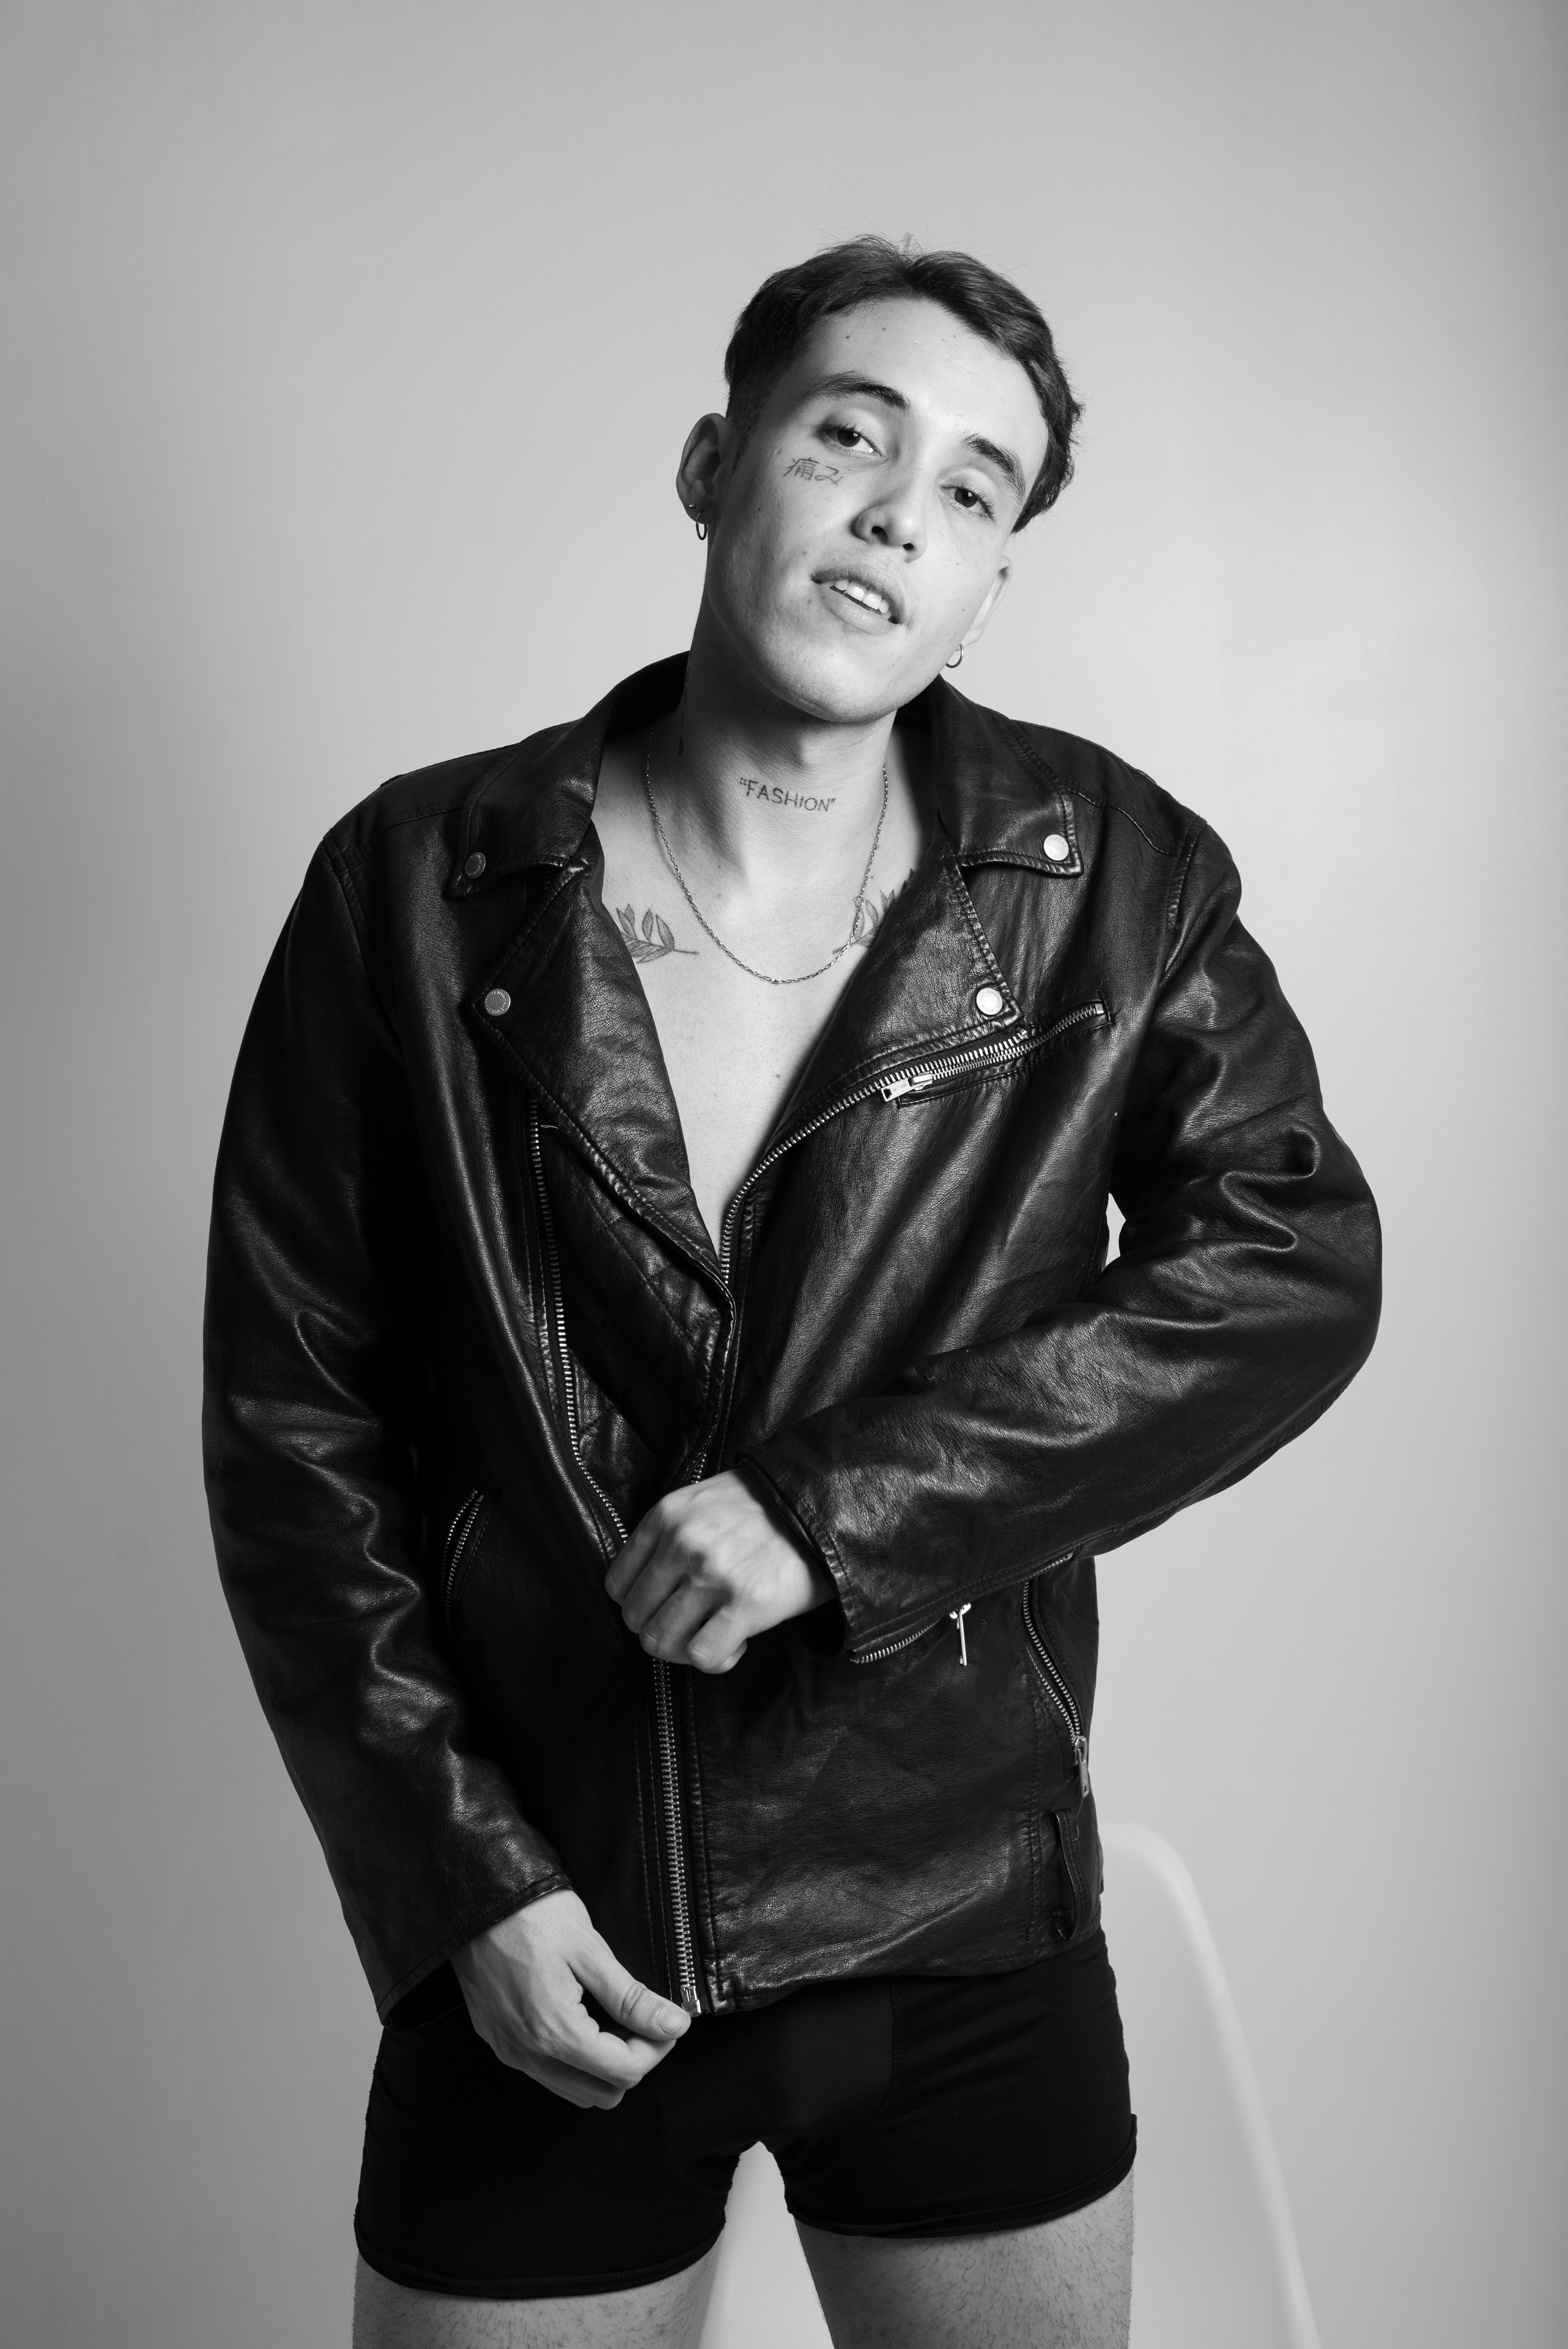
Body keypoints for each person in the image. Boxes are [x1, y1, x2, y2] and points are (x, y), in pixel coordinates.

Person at [204, 236, 1380, 2348]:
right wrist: (459, 1876)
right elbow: (294, 1422)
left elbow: (1288, 1266)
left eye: (973, 489)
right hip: (550, 1941)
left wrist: (834, 1512)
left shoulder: (1110, 876)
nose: (900, 513)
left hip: (952, 1934)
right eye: (849, 436)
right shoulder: (415, 882)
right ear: (710, 466)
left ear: (988, 580)